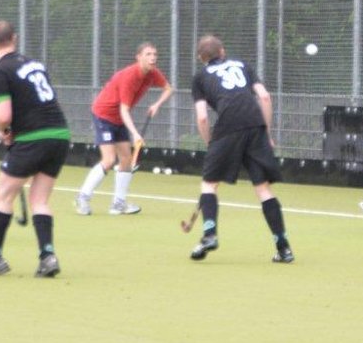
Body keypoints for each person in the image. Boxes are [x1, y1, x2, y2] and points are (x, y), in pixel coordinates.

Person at [0, 20, 70, 277]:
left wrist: (3, 132)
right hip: (59, 135)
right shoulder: (36, 64)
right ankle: (48, 256)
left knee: (3, 195)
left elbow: (4, 115)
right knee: (40, 199)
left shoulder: (0, 71)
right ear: (14, 38)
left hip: (32, 138)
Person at [188, 35, 293, 263]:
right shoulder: (243, 65)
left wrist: (211, 144)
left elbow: (202, 118)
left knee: (209, 184)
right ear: (222, 51)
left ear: (200, 58)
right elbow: (264, 97)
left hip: (228, 127)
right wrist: (266, 133)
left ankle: (209, 234)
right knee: (263, 189)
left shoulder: (200, 77)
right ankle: (283, 247)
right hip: (255, 124)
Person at [76, 42, 173, 216]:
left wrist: (157, 104)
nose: (153, 58)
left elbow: (168, 88)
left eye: (155, 54)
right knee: (109, 160)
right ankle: (82, 197)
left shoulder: (153, 73)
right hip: (104, 115)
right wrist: (135, 134)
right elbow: (124, 109)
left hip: (120, 118)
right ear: (139, 57)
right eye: (148, 54)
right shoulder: (130, 76)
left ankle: (118, 204)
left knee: (126, 160)